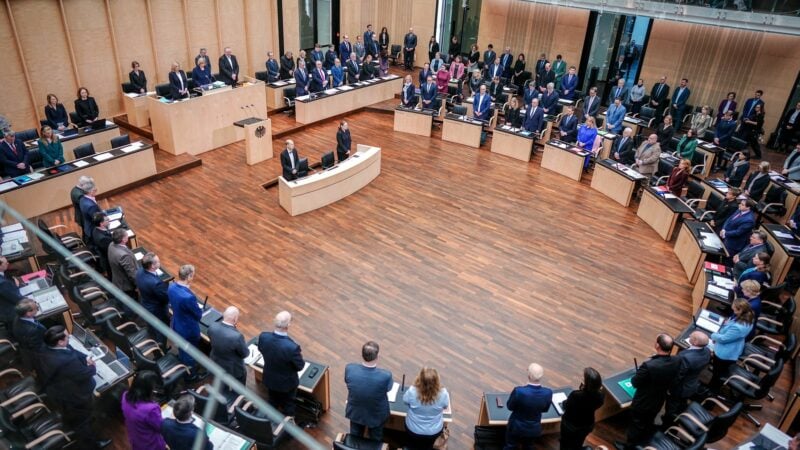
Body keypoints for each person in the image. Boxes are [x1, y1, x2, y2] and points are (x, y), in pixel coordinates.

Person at [39, 325, 111, 449]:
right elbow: (86, 373)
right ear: (60, 342)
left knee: (77, 416)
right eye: (67, 337)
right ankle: (93, 445)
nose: (69, 338)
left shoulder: (47, 347)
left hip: (59, 388)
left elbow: (71, 350)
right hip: (75, 396)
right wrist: (92, 365)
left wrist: (85, 358)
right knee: (83, 422)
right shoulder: (65, 361)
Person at [617, 334, 679, 450]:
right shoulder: (676, 360)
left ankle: (629, 447)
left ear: (657, 345)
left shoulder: (649, 366)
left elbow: (635, 382)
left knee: (636, 425)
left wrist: (645, 367)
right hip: (659, 400)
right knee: (648, 421)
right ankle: (644, 438)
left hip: (643, 402)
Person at [257, 311, 305, 417]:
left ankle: (269, 422)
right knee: (289, 405)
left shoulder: (263, 337)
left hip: (269, 378)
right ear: (288, 325)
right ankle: (288, 427)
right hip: (286, 384)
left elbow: (261, 349)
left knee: (272, 400)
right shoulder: (292, 347)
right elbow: (300, 366)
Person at [345, 341, 393, 441]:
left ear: (362, 355)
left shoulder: (350, 369)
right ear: (377, 357)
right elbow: (388, 389)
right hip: (376, 415)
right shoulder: (385, 376)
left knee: (355, 437)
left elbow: (347, 381)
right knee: (376, 438)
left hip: (356, 412)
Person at [663, 332, 711, 426]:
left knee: (671, 407)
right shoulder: (707, 351)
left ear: (696, 342)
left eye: (691, 337)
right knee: (682, 404)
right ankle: (678, 416)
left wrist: (669, 389)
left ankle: (667, 425)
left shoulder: (685, 357)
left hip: (680, 388)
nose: (689, 336)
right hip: (692, 384)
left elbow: (678, 376)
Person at [709, 299, 755, 391]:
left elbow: (724, 339)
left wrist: (713, 335)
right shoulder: (748, 316)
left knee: (717, 374)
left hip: (725, 353)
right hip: (733, 346)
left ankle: (711, 391)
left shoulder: (739, 327)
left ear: (740, 310)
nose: (733, 311)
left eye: (734, 310)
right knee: (719, 371)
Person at [504, 363, 552, 450]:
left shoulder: (519, 391)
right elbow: (545, 409)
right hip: (533, 429)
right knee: (529, 447)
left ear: (529, 375)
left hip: (516, 427)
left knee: (510, 446)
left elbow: (509, 406)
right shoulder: (548, 393)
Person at [168, 264, 204, 378]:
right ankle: (191, 376)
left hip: (177, 324)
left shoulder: (171, 287)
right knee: (190, 353)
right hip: (188, 329)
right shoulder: (188, 297)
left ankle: (184, 363)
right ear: (188, 277)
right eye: (192, 275)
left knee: (183, 350)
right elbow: (198, 315)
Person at [403, 367, 450, 450]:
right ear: (437, 381)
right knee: (428, 446)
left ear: (420, 379)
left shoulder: (412, 391)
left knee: (411, 444)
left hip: (413, 429)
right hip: (433, 431)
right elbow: (445, 406)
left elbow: (405, 401)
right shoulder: (443, 394)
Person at [208, 306, 248, 400]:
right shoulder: (237, 336)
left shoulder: (212, 326)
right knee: (240, 383)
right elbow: (245, 354)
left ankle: (223, 396)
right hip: (233, 368)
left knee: (221, 384)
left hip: (216, 361)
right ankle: (238, 399)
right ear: (235, 319)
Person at [560, 367, 604, 450]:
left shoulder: (576, 395)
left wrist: (581, 390)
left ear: (587, 383)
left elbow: (566, 405)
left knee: (565, 443)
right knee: (579, 441)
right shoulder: (600, 396)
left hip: (571, 426)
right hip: (586, 425)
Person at [121, 371, 166, 450]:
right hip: (151, 444)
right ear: (148, 389)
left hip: (135, 438)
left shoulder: (125, 395)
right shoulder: (151, 409)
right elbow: (160, 427)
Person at [136, 252, 170, 344]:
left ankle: (155, 343)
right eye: (158, 261)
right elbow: (166, 298)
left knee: (152, 328)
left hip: (146, 304)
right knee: (161, 331)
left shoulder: (139, 271)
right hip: (158, 310)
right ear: (152, 266)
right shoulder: (156, 283)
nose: (160, 262)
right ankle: (162, 350)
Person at [12, 299, 45, 371]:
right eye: (36, 308)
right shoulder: (32, 330)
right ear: (28, 313)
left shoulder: (18, 317)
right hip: (39, 356)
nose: (37, 308)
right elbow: (40, 348)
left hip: (28, 348)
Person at [108, 228, 138, 299]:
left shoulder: (111, 245)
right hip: (126, 286)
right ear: (123, 240)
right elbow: (132, 274)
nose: (128, 236)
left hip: (117, 280)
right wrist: (138, 286)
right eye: (126, 235)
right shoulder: (124, 256)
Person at [0, 256, 22, 330]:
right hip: (10, 314)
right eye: (5, 263)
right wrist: (17, 286)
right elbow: (17, 298)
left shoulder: (3, 276)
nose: (8, 263)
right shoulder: (2, 283)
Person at [91, 212, 112, 277]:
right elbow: (111, 249)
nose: (109, 220)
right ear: (101, 224)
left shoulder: (96, 229)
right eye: (107, 220)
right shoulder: (102, 239)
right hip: (109, 261)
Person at [71, 175, 93, 240]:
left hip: (82, 215)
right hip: (82, 216)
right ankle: (88, 245)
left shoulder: (75, 189)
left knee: (85, 232)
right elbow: (85, 205)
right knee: (87, 232)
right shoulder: (79, 194)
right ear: (83, 184)